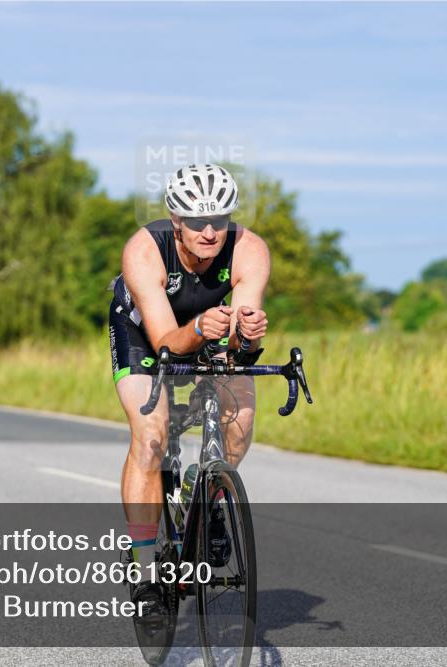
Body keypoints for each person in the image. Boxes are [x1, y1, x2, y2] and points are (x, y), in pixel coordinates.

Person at [109, 164, 270, 618]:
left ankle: (213, 499)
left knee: (239, 419)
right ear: (174, 220)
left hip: (208, 331)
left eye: (219, 220)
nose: (208, 231)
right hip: (144, 333)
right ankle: (143, 573)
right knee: (153, 434)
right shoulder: (145, 250)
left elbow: (238, 342)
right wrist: (200, 326)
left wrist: (249, 334)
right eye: (196, 221)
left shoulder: (250, 250)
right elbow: (165, 343)